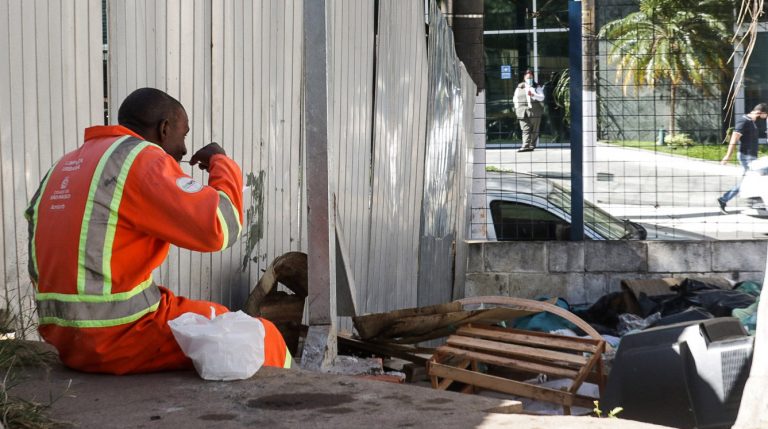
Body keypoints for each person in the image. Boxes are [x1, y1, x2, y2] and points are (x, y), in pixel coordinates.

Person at [26, 88, 291, 374]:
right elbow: (220, 226)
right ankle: (298, 407)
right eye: (184, 134)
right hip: (119, 335)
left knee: (191, 309)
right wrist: (221, 162)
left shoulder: (65, 165)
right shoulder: (141, 159)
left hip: (65, 338)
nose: (185, 150)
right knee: (257, 336)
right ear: (164, 129)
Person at [717, 103, 768, 214]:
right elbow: (734, 139)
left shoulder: (751, 122)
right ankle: (725, 199)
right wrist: (728, 156)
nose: (766, 118)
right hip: (746, 157)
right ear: (760, 112)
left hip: (751, 157)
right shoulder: (744, 121)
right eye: (766, 115)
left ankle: (757, 202)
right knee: (749, 180)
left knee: (750, 180)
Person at [513, 69, 545, 152]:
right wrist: (516, 108)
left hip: (535, 110)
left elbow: (542, 97)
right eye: (528, 78)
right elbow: (515, 99)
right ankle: (525, 145)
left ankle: (532, 145)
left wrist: (533, 95)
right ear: (524, 78)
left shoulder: (537, 86)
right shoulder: (519, 87)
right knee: (525, 129)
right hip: (522, 111)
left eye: (531, 78)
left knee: (535, 129)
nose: (529, 79)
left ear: (533, 78)